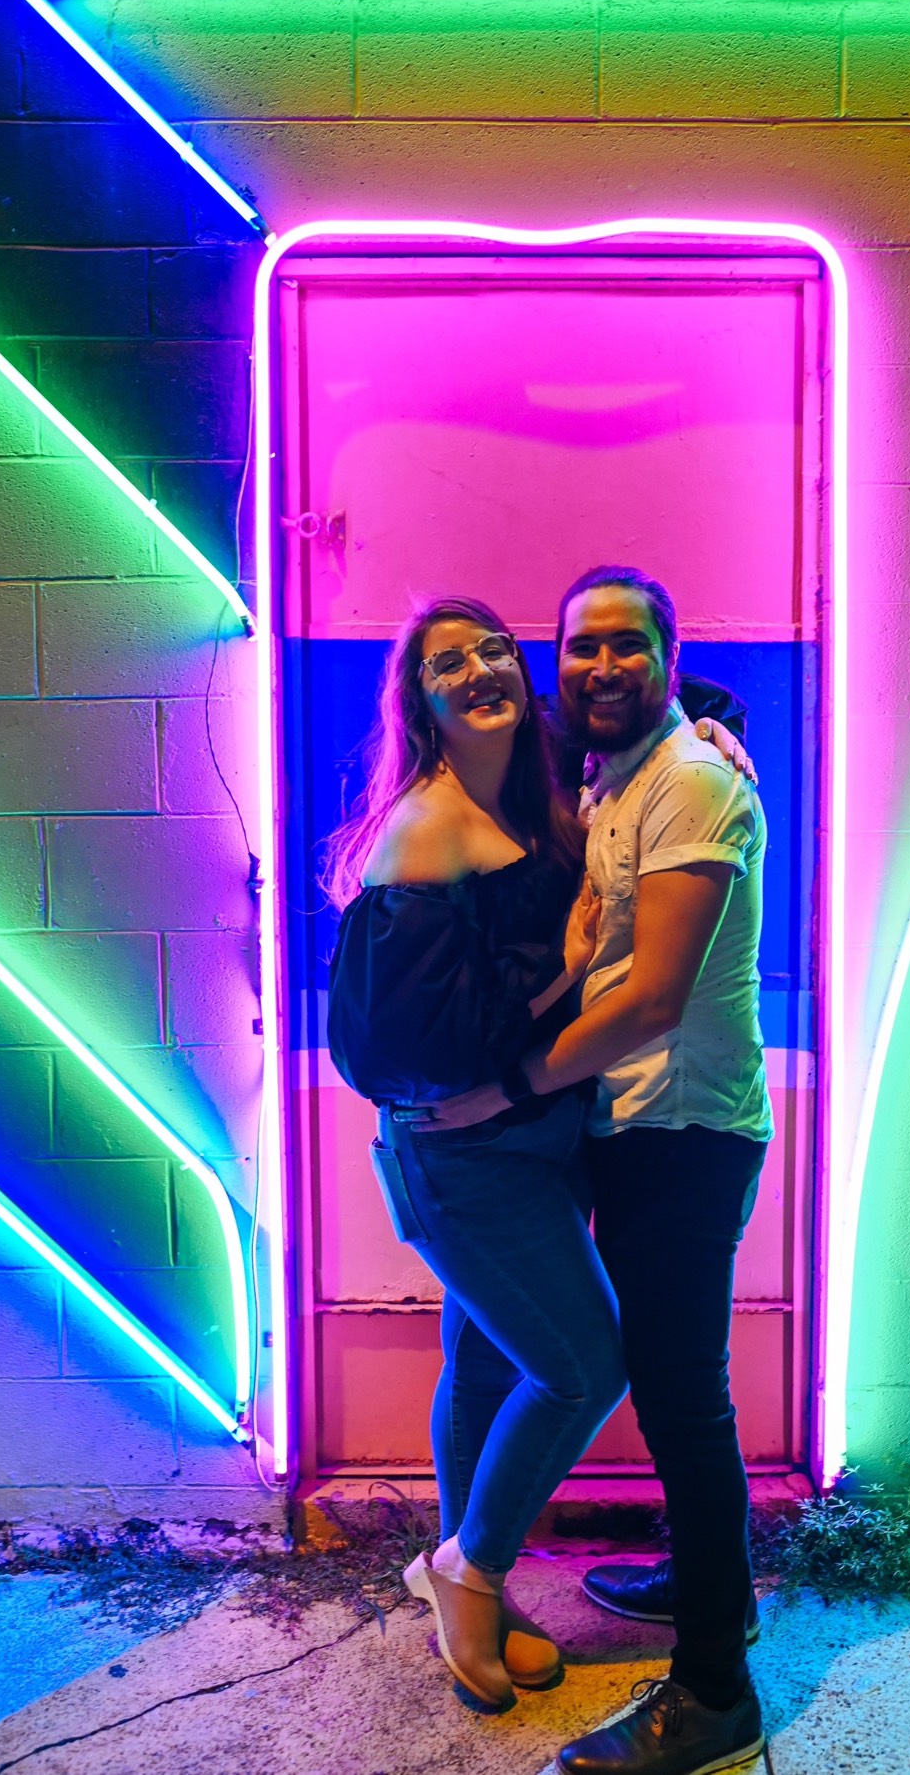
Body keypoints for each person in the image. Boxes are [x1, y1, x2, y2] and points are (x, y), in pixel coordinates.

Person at [421, 567, 774, 1775]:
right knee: (528, 1350)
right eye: (580, 651)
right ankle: (690, 1579)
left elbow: (656, 999)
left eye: (628, 648)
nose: (600, 670)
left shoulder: (694, 780)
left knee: (679, 1392)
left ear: (668, 654)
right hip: (616, 1129)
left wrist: (507, 1089)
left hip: (679, 1131)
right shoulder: (606, 766)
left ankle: (718, 1696)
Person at [323, 595, 628, 1715]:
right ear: (423, 700)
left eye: (496, 647)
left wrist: (717, 727)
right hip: (465, 1159)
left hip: (532, 1143)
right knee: (586, 1367)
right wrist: (571, 964)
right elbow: (418, 1044)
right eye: (450, 663)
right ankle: (470, 1568)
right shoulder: (428, 825)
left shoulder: (538, 778)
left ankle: (466, 1583)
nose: (482, 669)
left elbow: (662, 700)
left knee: (493, 1365)